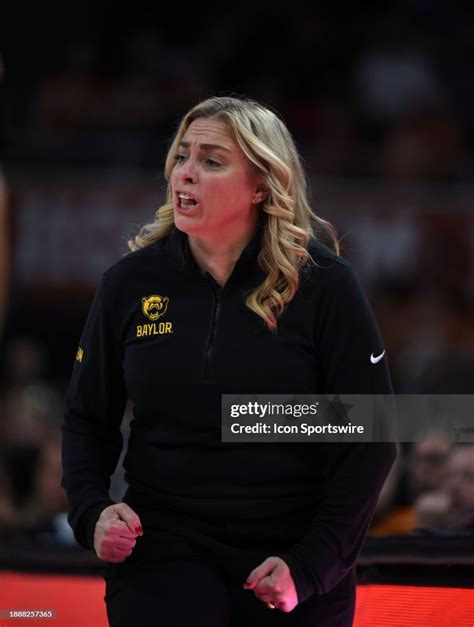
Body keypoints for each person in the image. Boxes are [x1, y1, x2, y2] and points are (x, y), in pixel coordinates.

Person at [61, 96, 397, 627]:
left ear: (263, 184)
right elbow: (86, 418)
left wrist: (311, 566)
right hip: (164, 544)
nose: (185, 173)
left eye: (211, 160)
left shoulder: (324, 286)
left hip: (293, 550)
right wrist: (91, 511)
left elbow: (372, 438)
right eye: (182, 156)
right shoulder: (130, 283)